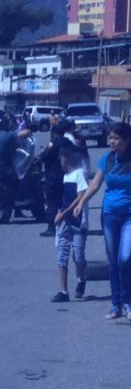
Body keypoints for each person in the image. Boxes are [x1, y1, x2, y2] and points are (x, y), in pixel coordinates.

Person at [74, 123, 131, 319]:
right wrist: (81, 202)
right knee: (113, 261)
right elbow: (95, 184)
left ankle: (128, 302)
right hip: (109, 215)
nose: (111, 142)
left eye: (115, 138)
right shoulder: (106, 159)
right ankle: (116, 304)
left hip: (129, 217)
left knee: (125, 258)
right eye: (110, 138)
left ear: (126, 140)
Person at [50, 146, 89, 302]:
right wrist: (59, 214)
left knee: (78, 257)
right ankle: (63, 291)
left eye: (61, 158)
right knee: (62, 256)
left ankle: (81, 278)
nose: (60, 162)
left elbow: (80, 197)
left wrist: (64, 213)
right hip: (64, 222)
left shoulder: (79, 174)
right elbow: (64, 199)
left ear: (66, 158)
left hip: (78, 221)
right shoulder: (65, 177)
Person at [0, 116, 31, 217]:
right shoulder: (8, 135)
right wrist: (28, 131)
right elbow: (23, 133)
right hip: (5, 169)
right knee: (20, 179)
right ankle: (19, 199)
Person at [38, 123, 75, 237]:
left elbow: (45, 156)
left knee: (51, 202)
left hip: (53, 177)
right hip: (66, 176)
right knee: (64, 201)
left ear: (54, 133)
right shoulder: (68, 142)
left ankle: (51, 227)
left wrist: (40, 157)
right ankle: (67, 225)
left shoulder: (53, 143)